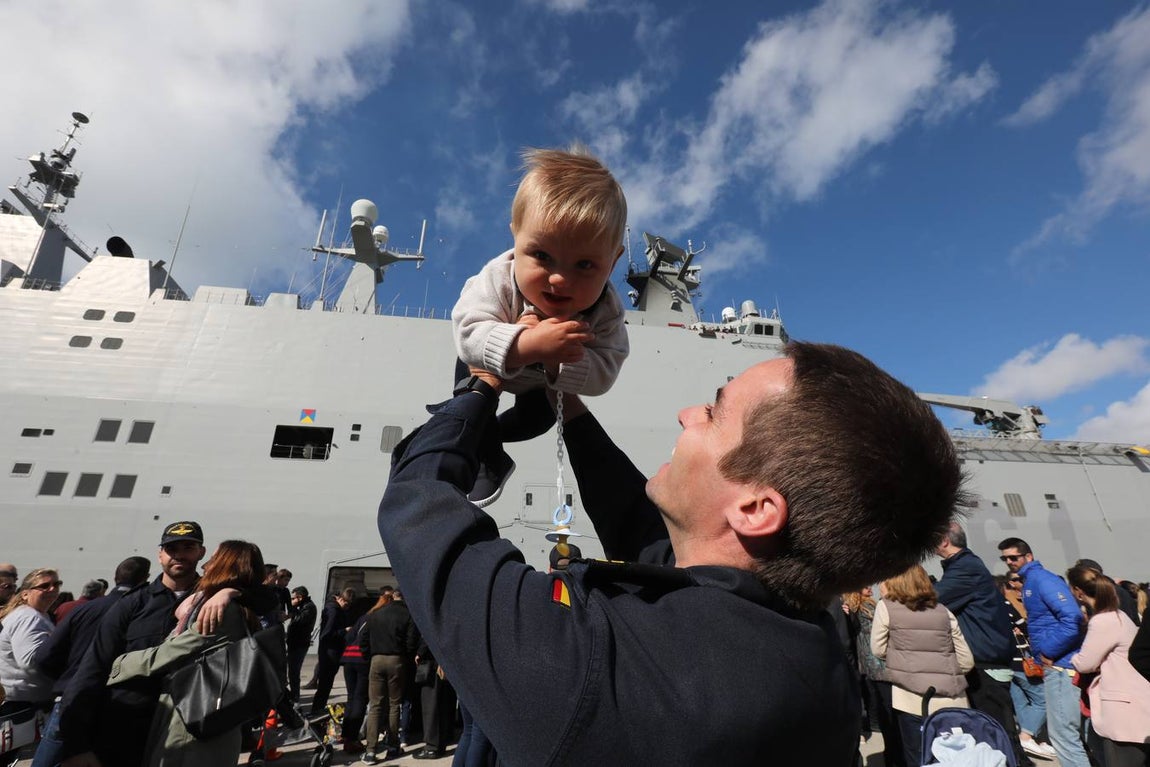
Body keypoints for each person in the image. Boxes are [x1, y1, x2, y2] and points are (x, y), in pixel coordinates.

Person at [377, 341, 966, 764]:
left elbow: (418, 507)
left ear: (756, 509)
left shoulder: (595, 668)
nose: (687, 414)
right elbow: (648, 536)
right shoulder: (807, 637)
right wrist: (566, 404)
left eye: (713, 412)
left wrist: (481, 382)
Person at [450, 144, 629, 506]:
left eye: (585, 265)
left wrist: (558, 358)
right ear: (515, 238)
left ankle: (493, 440)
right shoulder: (497, 279)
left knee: (535, 422)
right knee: (472, 403)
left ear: (612, 263)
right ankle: (483, 453)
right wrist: (524, 344)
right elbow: (468, 331)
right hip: (486, 365)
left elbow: (606, 370)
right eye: (542, 256)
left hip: (541, 386)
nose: (560, 279)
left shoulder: (606, 311)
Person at [56, 521, 268, 767]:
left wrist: (232, 591)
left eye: (188, 547)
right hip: (125, 730)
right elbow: (92, 669)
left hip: (182, 727)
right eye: (171, 548)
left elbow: (267, 597)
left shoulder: (213, 601)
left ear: (201, 552)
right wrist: (76, 744)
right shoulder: (133, 603)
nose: (179, 555)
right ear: (160, 555)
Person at [31, 556, 152, 767]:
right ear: (145, 578)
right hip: (120, 706)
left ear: (115, 577)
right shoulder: (145, 611)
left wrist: (69, 677)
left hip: (72, 699)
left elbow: (44, 656)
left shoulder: (83, 608)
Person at [934, 522, 1031, 766]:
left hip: (986, 663)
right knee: (991, 730)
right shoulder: (964, 566)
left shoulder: (965, 568)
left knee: (996, 732)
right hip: (985, 659)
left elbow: (933, 599)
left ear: (944, 541)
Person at [998, 537, 1090, 767]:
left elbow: (1073, 618)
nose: (1009, 562)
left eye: (1013, 557)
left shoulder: (1041, 579)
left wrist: (1048, 651)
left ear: (1028, 556)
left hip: (1061, 665)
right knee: (1070, 734)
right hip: (1058, 664)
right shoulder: (1033, 580)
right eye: (1004, 558)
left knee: (1064, 736)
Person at [872, 564, 975, 767]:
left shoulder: (886, 607)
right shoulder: (943, 610)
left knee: (919, 757)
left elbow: (877, 649)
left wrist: (904, 661)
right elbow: (966, 660)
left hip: (911, 698)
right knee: (956, 758)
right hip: (953, 699)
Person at [1067, 565, 1150, 766]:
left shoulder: (1103, 621)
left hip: (1123, 710)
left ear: (1078, 592)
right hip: (1135, 703)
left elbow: (1084, 663)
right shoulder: (1118, 615)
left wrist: (1072, 657)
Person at [994, 573, 1055, 761]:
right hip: (1020, 660)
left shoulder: (985, 609)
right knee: (1043, 699)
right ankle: (1027, 736)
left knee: (1020, 702)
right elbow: (1024, 627)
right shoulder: (1005, 605)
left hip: (1003, 663)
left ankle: (1034, 738)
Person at [844, 586, 904, 767]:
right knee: (887, 704)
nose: (869, 587)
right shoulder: (865, 607)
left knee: (880, 702)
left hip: (869, 661)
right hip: (878, 660)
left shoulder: (858, 607)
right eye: (864, 586)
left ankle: (886, 741)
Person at [363, 588, 420, 763]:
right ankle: (393, 746)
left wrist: (369, 656)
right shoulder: (408, 615)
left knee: (375, 705)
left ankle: (371, 750)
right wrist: (405, 658)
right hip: (397, 660)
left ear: (393, 596)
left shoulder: (376, 613)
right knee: (395, 704)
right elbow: (411, 642)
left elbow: (363, 638)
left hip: (377, 659)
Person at [0, 568, 61, 717]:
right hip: (22, 705)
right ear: (25, 594)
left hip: (27, 700)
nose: (52, 589)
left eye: (56, 584)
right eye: (44, 586)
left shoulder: (37, 615)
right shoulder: (29, 618)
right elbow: (31, 661)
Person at [339, 592, 383, 755]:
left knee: (351, 698)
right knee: (360, 699)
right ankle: (352, 739)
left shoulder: (363, 617)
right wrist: (367, 653)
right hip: (362, 660)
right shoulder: (376, 620)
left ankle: (345, 734)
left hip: (348, 658)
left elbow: (349, 636)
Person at [310, 586, 355, 715]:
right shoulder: (334, 611)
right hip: (331, 652)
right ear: (341, 599)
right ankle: (317, 711)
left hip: (330, 651)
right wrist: (344, 631)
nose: (347, 607)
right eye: (346, 603)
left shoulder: (334, 609)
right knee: (325, 685)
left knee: (325, 685)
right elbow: (327, 634)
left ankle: (317, 710)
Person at [286, 585, 317, 702]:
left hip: (299, 644)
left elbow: (299, 620)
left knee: (294, 671)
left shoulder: (309, 607)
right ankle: (293, 695)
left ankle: (295, 697)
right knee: (291, 670)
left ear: (300, 597)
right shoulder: (304, 606)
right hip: (295, 642)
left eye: (293, 598)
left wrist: (293, 608)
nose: (292, 600)